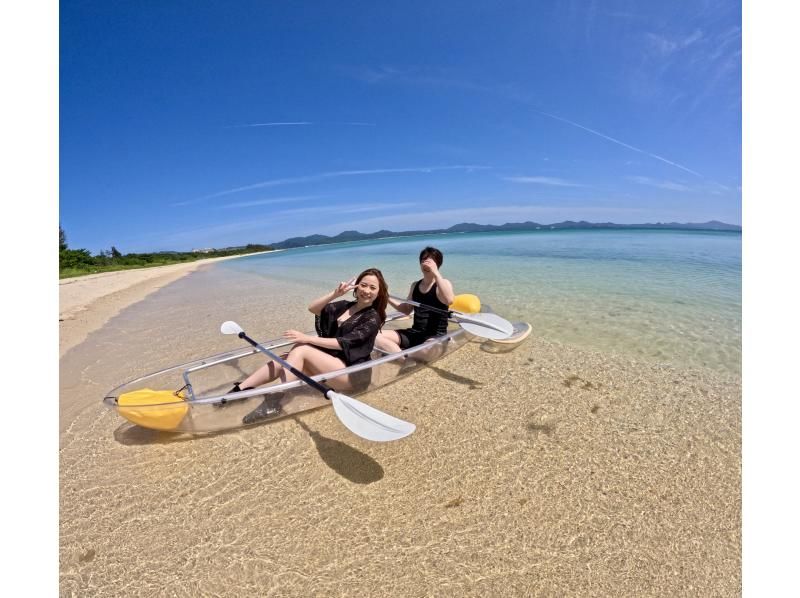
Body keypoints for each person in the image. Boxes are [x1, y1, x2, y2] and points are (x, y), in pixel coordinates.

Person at [231, 268, 389, 424]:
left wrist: (307, 338)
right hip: (333, 364)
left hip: (353, 374)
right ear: (356, 286)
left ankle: (275, 399)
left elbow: (343, 343)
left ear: (379, 293)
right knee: (285, 359)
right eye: (363, 285)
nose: (367, 290)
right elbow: (313, 308)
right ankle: (241, 390)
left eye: (372, 287)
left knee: (301, 349)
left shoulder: (372, 318)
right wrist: (336, 293)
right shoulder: (345, 306)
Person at [375, 246, 455, 354]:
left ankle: (400, 353)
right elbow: (407, 309)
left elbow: (449, 300)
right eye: (423, 260)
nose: (426, 264)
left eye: (430, 261)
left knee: (426, 350)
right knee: (375, 336)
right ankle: (404, 356)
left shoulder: (443, 283)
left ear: (438, 264)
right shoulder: (415, 285)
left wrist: (436, 273)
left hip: (435, 336)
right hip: (415, 333)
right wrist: (386, 297)